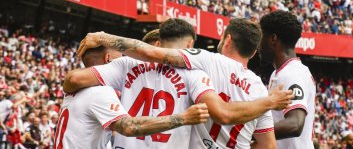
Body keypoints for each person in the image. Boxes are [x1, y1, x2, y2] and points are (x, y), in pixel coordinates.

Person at [71, 18, 294, 148]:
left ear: (227, 39)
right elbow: (267, 146)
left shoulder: (203, 62)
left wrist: (104, 38)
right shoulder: (259, 89)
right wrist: (270, 102)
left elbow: (150, 53)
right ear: (254, 52)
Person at [55, 46, 209, 149]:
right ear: (109, 58)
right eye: (121, 56)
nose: (125, 60)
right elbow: (128, 127)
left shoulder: (76, 91)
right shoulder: (100, 92)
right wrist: (183, 118)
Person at [259, 10, 316, 149]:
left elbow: (295, 124)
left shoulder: (291, 73)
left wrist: (253, 133)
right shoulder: (280, 73)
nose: (258, 44)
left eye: (261, 37)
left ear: (273, 39)